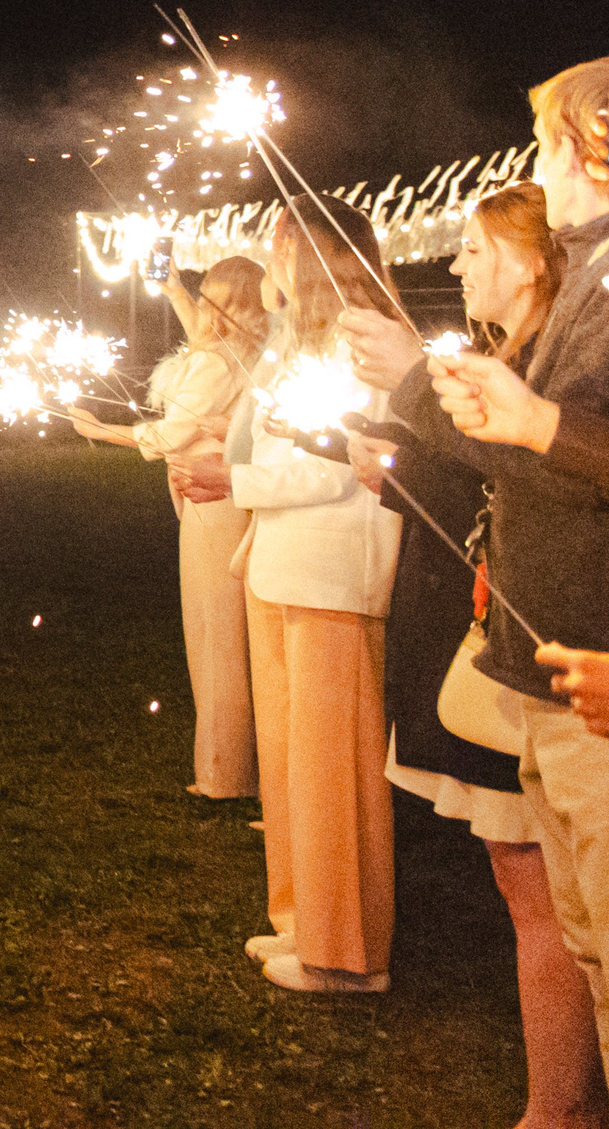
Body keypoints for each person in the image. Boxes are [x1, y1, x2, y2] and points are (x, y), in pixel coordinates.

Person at [351, 56, 609, 1109]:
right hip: (553, 670)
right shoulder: (601, 271)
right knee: (598, 961)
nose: (536, 169)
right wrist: (455, 401)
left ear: (587, 147)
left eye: (544, 144)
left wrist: (533, 421)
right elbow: (522, 455)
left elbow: (569, 451)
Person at [227, 196, 403, 996]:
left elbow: (340, 467)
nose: (271, 253)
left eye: (282, 241)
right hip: (284, 563)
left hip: (333, 570)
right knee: (293, 762)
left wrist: (233, 482)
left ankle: (348, 952)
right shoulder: (297, 342)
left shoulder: (362, 340)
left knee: (335, 769)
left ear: (320, 253)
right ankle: (304, 919)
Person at [67, 257, 268, 798]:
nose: (200, 303)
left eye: (207, 295)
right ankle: (245, 767)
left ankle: (225, 774)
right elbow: (208, 350)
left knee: (214, 635)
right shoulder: (252, 351)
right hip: (234, 498)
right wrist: (174, 290)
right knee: (235, 633)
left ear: (222, 302)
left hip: (211, 501)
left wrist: (99, 430)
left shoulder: (215, 362)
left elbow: (171, 433)